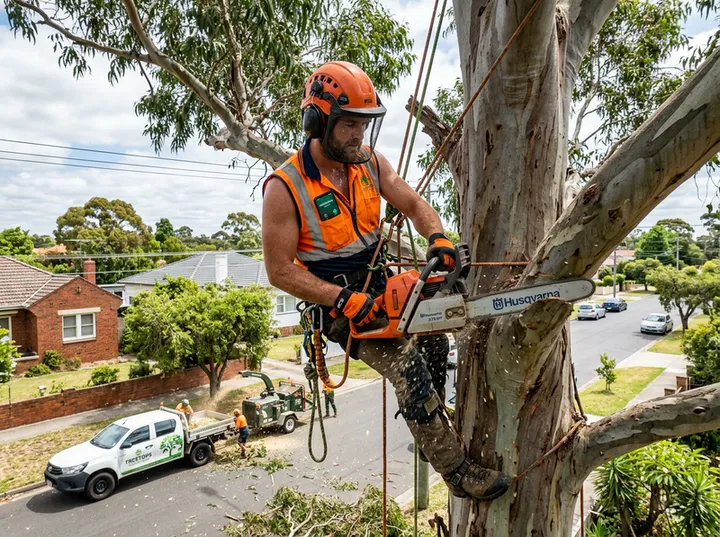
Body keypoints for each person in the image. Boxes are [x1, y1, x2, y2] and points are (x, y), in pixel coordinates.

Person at [262, 61, 510, 501]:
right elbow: (280, 271)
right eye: (350, 126)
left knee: (436, 337)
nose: (359, 136)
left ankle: (431, 416)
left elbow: (413, 203)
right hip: (336, 302)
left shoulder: (370, 164)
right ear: (318, 122)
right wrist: (343, 299)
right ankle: (456, 472)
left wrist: (437, 236)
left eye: (364, 125)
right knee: (407, 368)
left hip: (379, 277)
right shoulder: (285, 187)